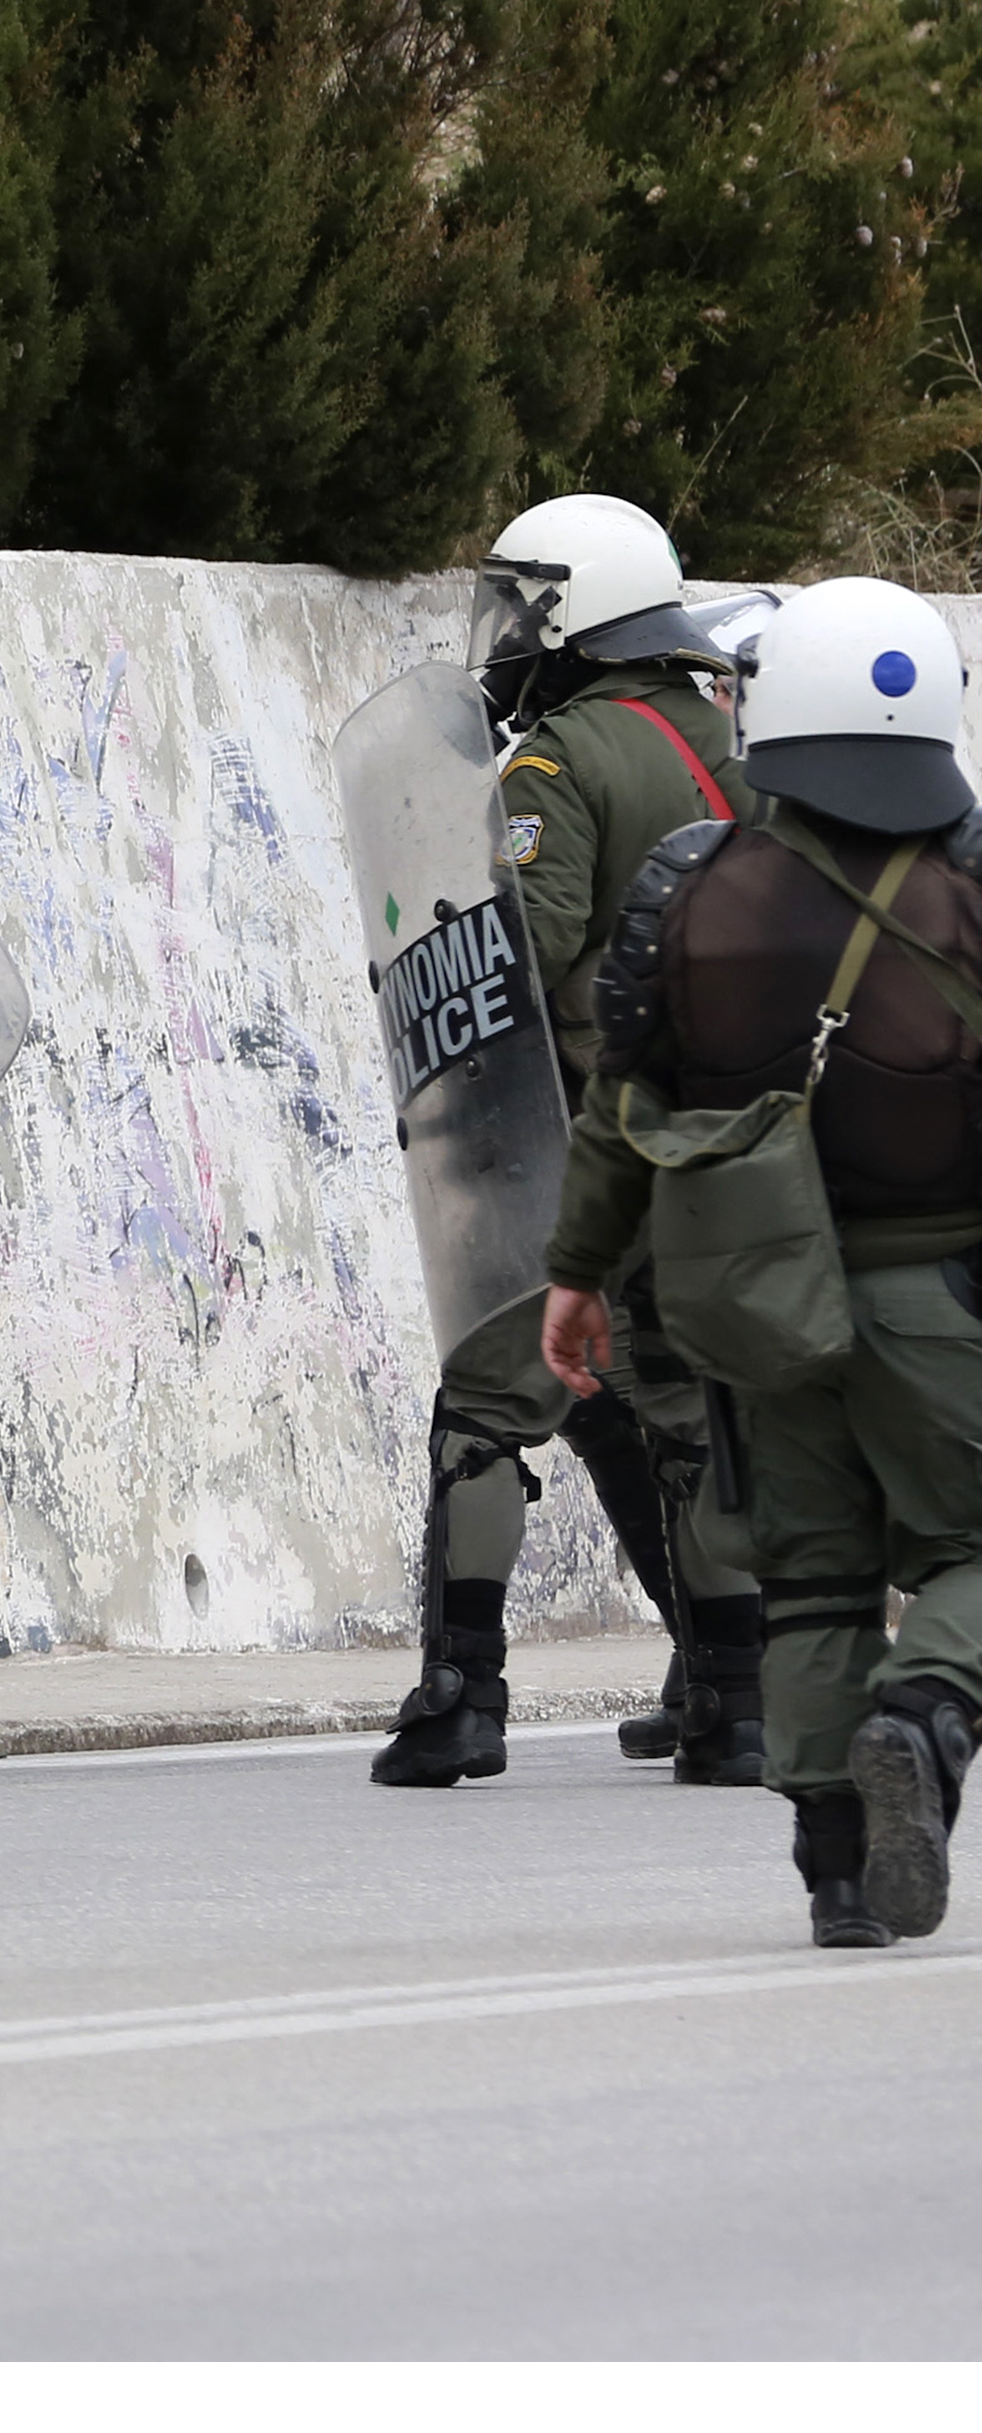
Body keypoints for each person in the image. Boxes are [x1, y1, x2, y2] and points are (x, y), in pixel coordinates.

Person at [544, 576, 982, 1947]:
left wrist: (573, 1276)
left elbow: (622, 1109)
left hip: (746, 1296)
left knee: (810, 1573)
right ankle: (921, 1716)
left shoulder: (691, 888)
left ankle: (833, 1874)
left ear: (768, 704)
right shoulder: (969, 890)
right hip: (942, 1298)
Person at [375, 492, 768, 1791]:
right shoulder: (736, 744)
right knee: (685, 1416)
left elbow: (524, 955)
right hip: (720, 1148)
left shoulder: (556, 759)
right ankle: (732, 1703)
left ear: (577, 613)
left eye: (522, 604)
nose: (507, 633)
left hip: (581, 1146)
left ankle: (459, 1698)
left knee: (485, 1406)